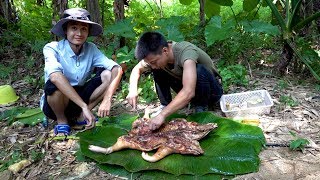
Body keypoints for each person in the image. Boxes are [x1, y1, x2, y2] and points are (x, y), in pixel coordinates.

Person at [40, 8, 123, 135]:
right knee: (53, 85)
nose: (79, 33)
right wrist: (83, 106)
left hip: (80, 97)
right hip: (56, 103)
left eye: (84, 29)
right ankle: (62, 121)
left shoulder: (91, 49)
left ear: (88, 32)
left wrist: (107, 98)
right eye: (74, 28)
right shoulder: (52, 48)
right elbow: (55, 76)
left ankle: (82, 116)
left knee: (107, 74)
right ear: (65, 30)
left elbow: (116, 68)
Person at [126, 31, 223, 131]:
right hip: (189, 90)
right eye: (151, 63)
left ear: (165, 51)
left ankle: (201, 107)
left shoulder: (186, 51)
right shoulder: (155, 57)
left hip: (211, 91)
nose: (153, 65)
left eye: (154, 62)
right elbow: (136, 69)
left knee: (199, 70)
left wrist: (162, 115)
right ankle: (165, 105)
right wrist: (132, 90)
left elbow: (188, 91)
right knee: (157, 69)